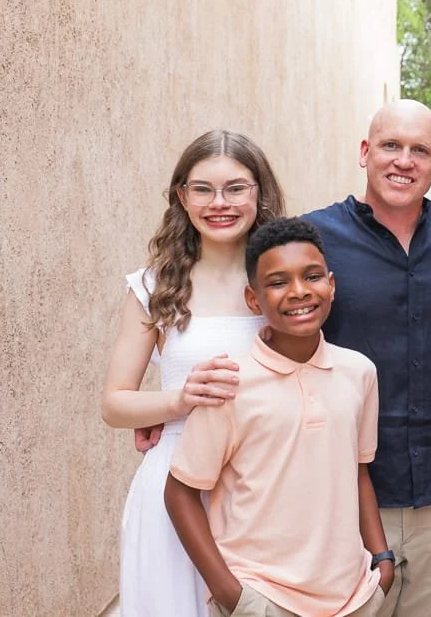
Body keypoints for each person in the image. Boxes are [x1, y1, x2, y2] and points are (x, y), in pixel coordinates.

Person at [302, 99, 431, 617]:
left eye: (419, 150)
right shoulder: (315, 238)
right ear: (365, 152)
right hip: (346, 490)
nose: (404, 161)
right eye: (390, 146)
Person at [164, 218, 392, 617]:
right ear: (254, 300)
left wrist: (382, 561)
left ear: (332, 285)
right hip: (263, 598)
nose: (299, 291)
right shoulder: (229, 382)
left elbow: (358, 472)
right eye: (278, 282)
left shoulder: (359, 372)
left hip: (354, 597)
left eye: (312, 276)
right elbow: (180, 493)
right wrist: (232, 595)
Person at [101, 130, 285, 616]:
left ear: (260, 193)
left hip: (264, 483)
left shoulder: (281, 282)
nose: (219, 203)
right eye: (203, 189)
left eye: (235, 188)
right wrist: (177, 400)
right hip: (175, 484)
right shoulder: (153, 286)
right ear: (182, 197)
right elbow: (115, 403)